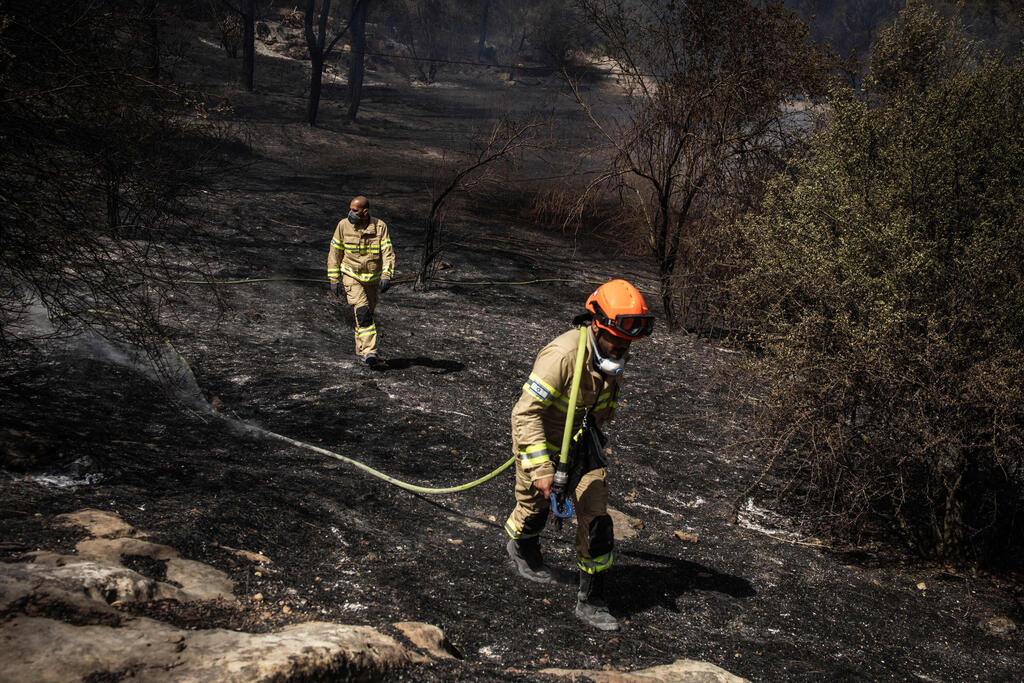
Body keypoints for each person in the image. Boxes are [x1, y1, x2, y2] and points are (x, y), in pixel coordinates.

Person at [503, 279, 654, 631]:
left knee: (597, 518)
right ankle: (522, 547)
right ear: (597, 325)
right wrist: (541, 469)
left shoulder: (611, 355)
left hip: (583, 448)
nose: (621, 352)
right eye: (616, 343)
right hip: (543, 447)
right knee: (533, 507)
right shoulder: (563, 355)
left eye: (627, 345)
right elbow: (525, 414)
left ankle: (592, 600)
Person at [326, 196, 395, 368]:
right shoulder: (343, 226)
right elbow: (334, 253)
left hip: (372, 280)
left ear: (365, 211)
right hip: (351, 275)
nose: (351, 213)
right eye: (350, 209)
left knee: (365, 315)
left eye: (355, 210)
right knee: (363, 312)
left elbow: (388, 253)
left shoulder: (380, 227)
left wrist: (387, 275)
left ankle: (362, 352)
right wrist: (334, 279)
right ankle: (370, 352)